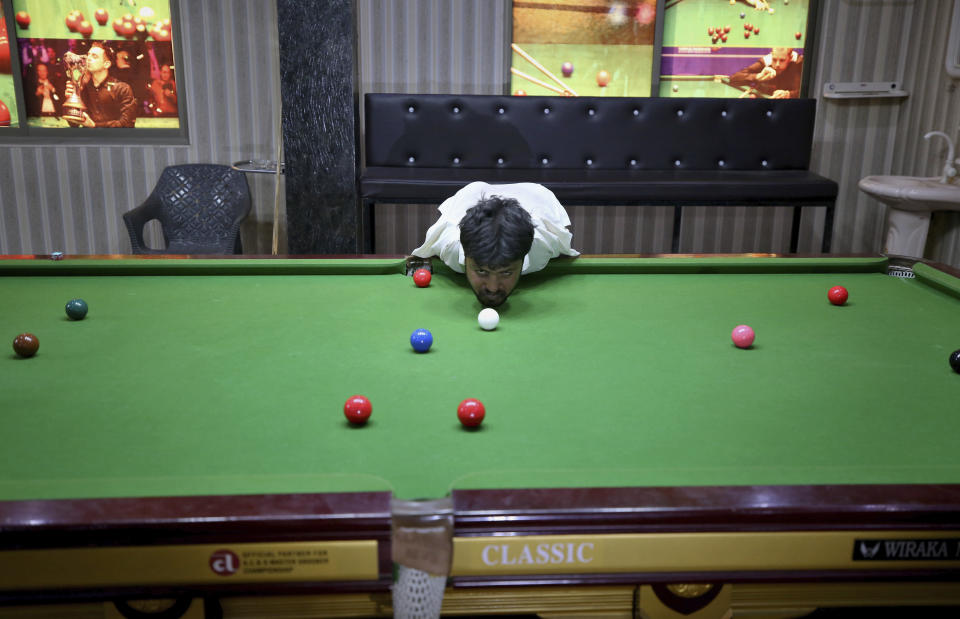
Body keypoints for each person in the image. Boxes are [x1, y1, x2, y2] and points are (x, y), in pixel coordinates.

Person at [411, 182, 579, 307]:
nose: (492, 288)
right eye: (481, 271)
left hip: (536, 195)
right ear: (466, 257)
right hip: (472, 193)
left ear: (523, 260)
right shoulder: (450, 246)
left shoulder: (543, 246)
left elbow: (565, 251)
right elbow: (424, 255)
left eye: (506, 273)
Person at [64, 41, 136, 127]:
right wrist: (71, 101)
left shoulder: (122, 89)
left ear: (106, 64)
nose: (88, 58)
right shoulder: (83, 89)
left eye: (94, 56)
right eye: (88, 55)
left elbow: (128, 124)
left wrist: (94, 126)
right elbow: (74, 125)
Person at [728, 47, 802, 99]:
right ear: (771, 55)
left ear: (790, 57)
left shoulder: (800, 63)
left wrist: (789, 94)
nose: (777, 64)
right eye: (774, 59)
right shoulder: (766, 61)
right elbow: (733, 78)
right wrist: (757, 76)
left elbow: (806, 90)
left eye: (782, 60)